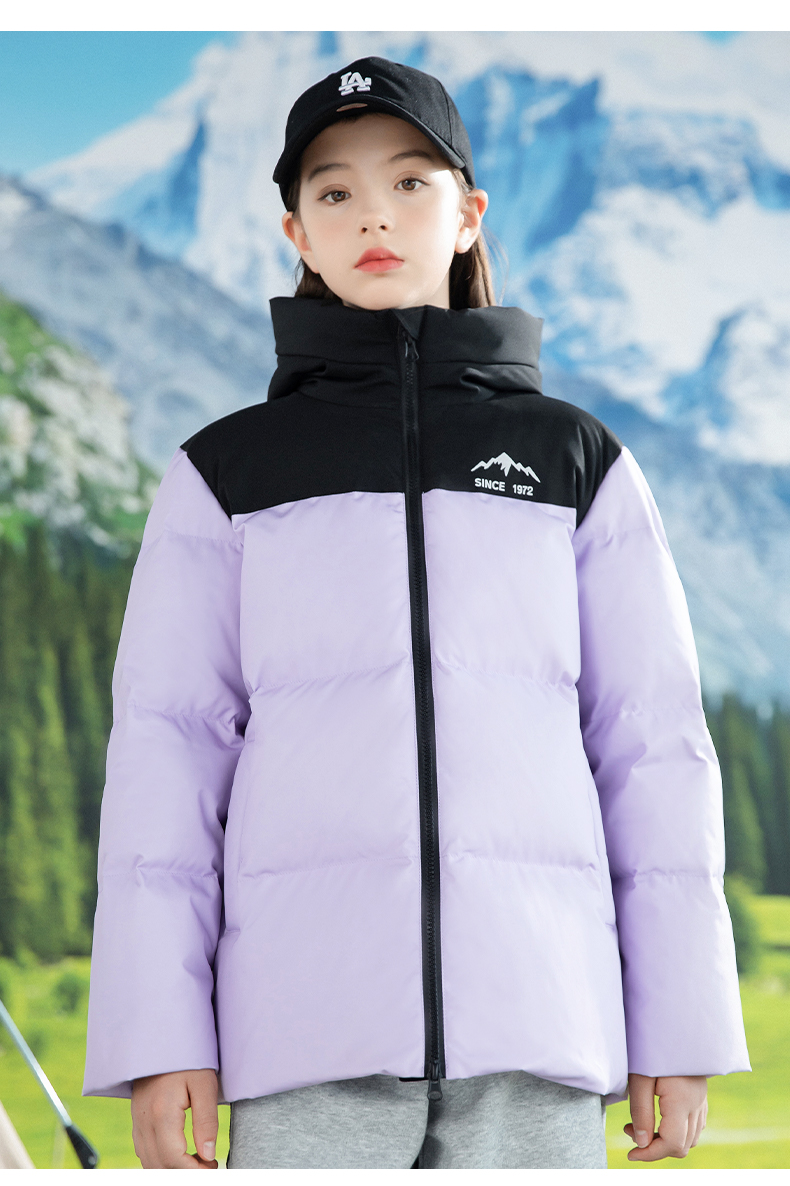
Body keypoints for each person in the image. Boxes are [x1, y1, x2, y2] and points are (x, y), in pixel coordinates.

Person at [81, 57, 750, 1170]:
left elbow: (653, 749)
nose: (374, 216)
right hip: (303, 1035)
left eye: (408, 182)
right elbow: (166, 764)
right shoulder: (225, 475)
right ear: (297, 234)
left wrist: (677, 1030)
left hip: (538, 1028)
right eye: (334, 191)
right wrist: (161, 1041)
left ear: (467, 213)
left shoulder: (575, 461)